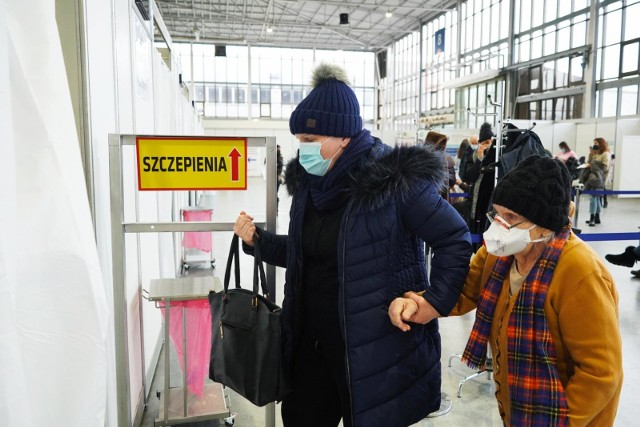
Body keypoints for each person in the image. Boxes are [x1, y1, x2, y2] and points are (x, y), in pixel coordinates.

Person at [233, 63, 472, 427]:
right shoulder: (310, 183)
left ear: (343, 137)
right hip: (311, 345)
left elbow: (454, 237)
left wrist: (432, 303)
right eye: (300, 141)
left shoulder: (394, 179)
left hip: (373, 351)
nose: (304, 150)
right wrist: (258, 242)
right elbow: (305, 253)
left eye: (311, 141)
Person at [389, 155, 623, 426]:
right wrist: (418, 303)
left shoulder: (581, 272)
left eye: (511, 217)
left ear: (544, 224)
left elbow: (601, 373)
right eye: (497, 213)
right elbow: (462, 292)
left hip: (567, 417)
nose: (499, 224)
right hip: (518, 406)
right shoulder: (498, 256)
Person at [581, 138, 610, 226]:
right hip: (592, 179)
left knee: (593, 198)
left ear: (601, 144)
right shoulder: (595, 153)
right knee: (596, 198)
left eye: (596, 143)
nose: (595, 145)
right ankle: (597, 217)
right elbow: (589, 163)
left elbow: (604, 168)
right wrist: (591, 155)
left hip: (599, 180)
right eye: (594, 143)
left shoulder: (605, 154)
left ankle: (592, 217)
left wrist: (592, 165)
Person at [424, 130, 456, 201]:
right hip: (441, 201)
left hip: (425, 201)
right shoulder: (447, 159)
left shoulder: (419, 159)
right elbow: (452, 181)